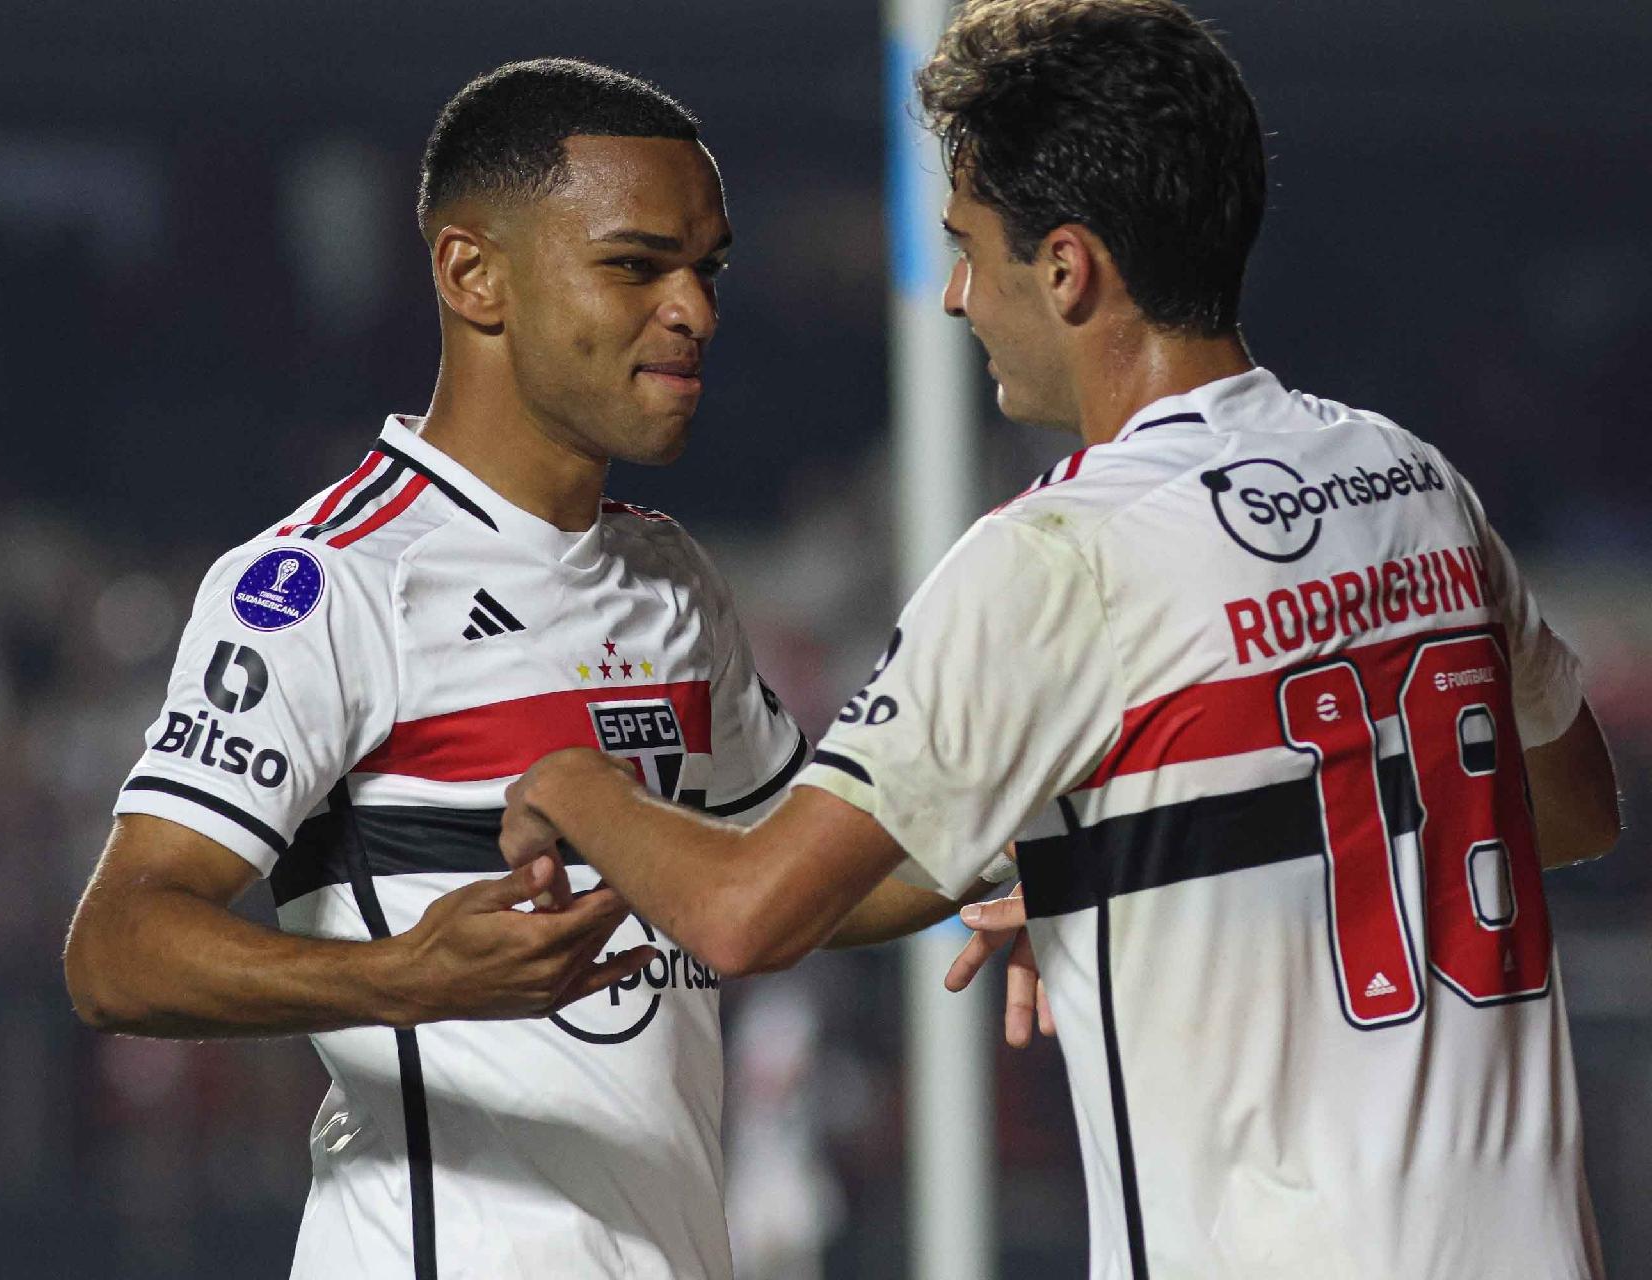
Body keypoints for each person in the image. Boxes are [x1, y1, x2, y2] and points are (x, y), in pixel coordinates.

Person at [498, 4, 1623, 1277]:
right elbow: (1570, 808)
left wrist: (574, 785)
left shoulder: (1057, 558)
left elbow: (749, 914)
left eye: (971, 251)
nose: (962, 296)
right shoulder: (1408, 478)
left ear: (1071, 268)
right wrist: (1133, 869)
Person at [64, 58, 967, 1280]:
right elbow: (116, 946)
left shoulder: (673, 578)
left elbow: (783, 884)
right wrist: (405, 975)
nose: (694, 308)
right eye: (638, 265)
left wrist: (1021, 850)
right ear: (472, 274)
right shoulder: (326, 582)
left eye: (708, 268)